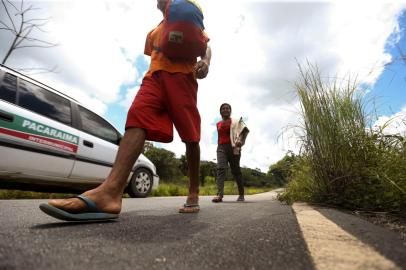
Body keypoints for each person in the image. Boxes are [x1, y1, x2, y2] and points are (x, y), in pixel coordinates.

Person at [39, 0, 211, 220]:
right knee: (136, 119)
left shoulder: (186, 17)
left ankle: (194, 190)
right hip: (153, 79)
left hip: (182, 79)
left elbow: (206, 45)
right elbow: (155, 53)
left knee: (191, 137)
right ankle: (110, 193)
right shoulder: (154, 33)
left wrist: (205, 62)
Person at [212, 103, 249, 203]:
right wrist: (219, 147)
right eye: (223, 108)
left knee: (236, 171)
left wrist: (240, 140)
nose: (225, 110)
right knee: (221, 169)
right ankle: (219, 195)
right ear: (220, 112)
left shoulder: (236, 121)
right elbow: (219, 137)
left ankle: (241, 195)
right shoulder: (218, 124)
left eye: (227, 108)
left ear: (230, 110)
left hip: (233, 147)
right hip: (221, 148)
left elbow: (243, 130)